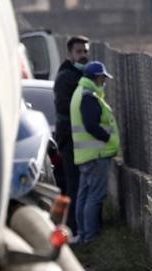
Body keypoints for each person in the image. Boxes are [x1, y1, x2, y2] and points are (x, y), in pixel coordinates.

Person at [70, 61, 120, 245]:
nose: (104, 81)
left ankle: (83, 234)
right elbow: (91, 125)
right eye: (103, 78)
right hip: (96, 154)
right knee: (95, 196)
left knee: (84, 195)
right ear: (97, 77)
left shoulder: (79, 93)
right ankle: (90, 237)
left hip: (85, 155)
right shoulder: (88, 96)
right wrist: (107, 138)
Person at [53, 35, 90, 239]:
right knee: (74, 185)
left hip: (78, 141)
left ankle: (76, 229)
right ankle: (73, 230)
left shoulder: (78, 75)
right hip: (70, 141)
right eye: (79, 51)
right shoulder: (67, 77)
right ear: (69, 54)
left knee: (79, 185)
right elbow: (65, 108)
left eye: (85, 51)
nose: (83, 55)